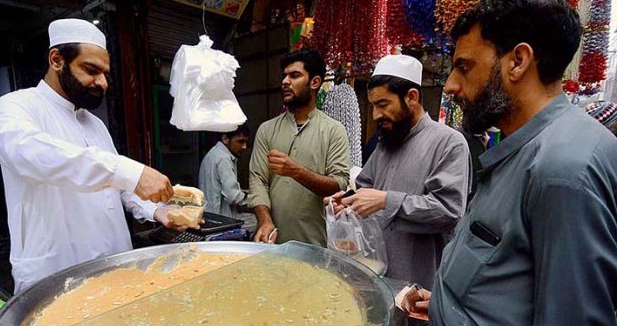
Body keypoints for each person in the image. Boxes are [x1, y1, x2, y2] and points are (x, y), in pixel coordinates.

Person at [408, 0, 617, 326]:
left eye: (464, 66)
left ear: (517, 61)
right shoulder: (521, 149)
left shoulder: (564, 168)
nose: (451, 86)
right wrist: (449, 302)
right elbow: (511, 273)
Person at [0, 19, 194, 293]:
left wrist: (155, 210)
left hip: (113, 266)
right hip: (56, 271)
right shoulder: (16, 107)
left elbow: (118, 185)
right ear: (56, 60)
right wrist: (131, 172)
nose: (102, 82)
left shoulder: (94, 124)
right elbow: (35, 155)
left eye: (105, 73)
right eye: (91, 70)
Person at [330, 54, 471, 290]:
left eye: (383, 105)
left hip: (419, 283)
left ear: (411, 97)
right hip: (375, 277)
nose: (375, 115)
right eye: (373, 106)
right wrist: (346, 202)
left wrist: (386, 200)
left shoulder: (448, 143)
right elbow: (364, 190)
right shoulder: (385, 144)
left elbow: (449, 211)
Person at [248, 49, 350, 246]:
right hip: (271, 242)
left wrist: (296, 171)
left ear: (315, 82)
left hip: (314, 245)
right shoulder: (267, 129)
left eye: (294, 75)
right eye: (284, 76)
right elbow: (258, 180)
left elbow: (339, 184)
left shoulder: (334, 131)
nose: (285, 82)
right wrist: (265, 221)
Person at [198, 123, 250, 219]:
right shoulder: (223, 158)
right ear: (225, 139)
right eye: (240, 142)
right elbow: (234, 196)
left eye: (246, 142)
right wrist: (257, 200)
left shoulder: (213, 153)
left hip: (209, 216)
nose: (244, 147)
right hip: (221, 221)